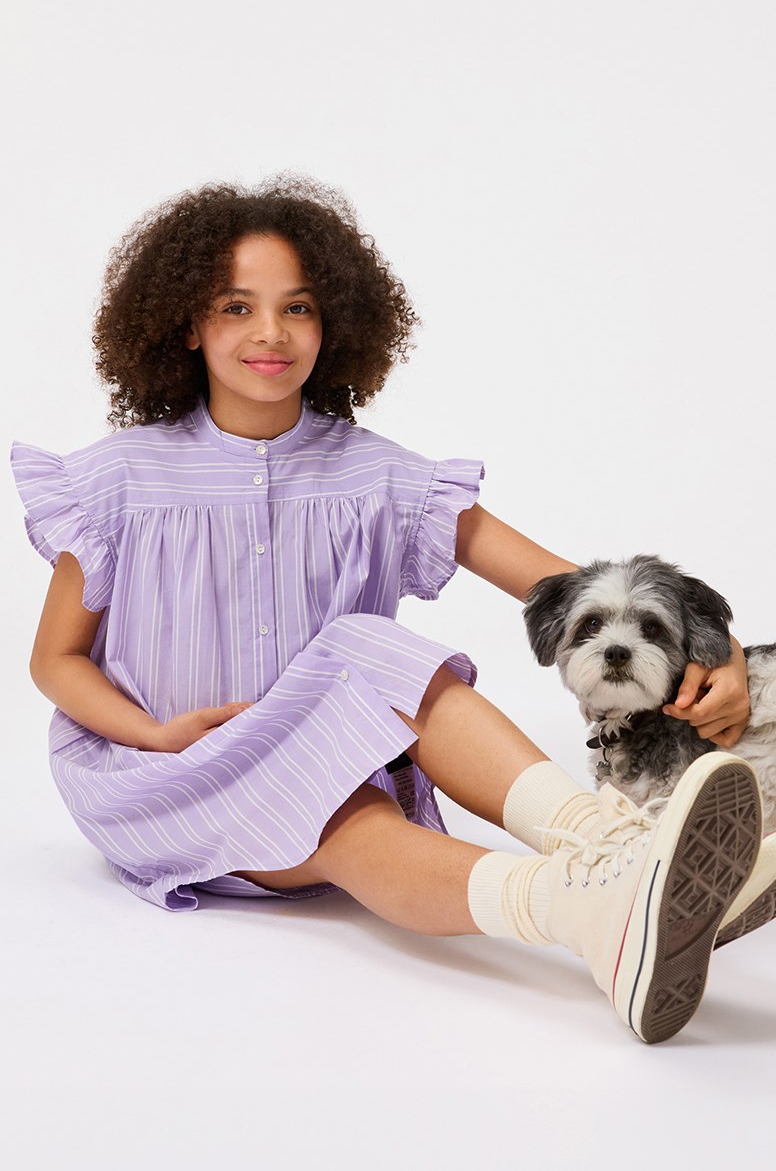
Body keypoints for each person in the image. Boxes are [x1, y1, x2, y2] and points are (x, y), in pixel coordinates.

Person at [10, 176, 770, 1045]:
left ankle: (601, 883)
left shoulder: (379, 476)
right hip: (163, 780)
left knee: (358, 724)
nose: (270, 333)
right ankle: (615, 882)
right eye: (236, 306)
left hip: (324, 779)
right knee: (351, 727)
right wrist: (158, 735)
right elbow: (54, 661)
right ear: (187, 324)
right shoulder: (118, 479)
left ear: (333, 324)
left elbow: (564, 587)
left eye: (298, 307)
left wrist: (717, 644)